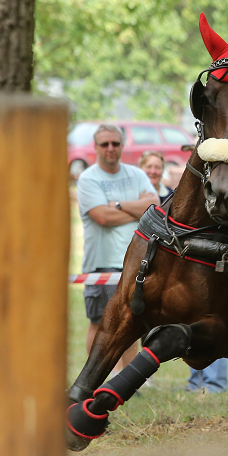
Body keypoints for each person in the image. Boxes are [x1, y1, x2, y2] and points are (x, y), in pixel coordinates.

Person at [77, 124, 160, 372]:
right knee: (99, 323)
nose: (110, 148)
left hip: (134, 263)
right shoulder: (88, 178)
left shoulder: (136, 174)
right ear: (96, 148)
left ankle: (124, 379)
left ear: (122, 146)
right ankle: (98, 375)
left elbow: (154, 205)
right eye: (105, 144)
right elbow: (102, 216)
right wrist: (135, 211)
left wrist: (116, 205)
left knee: (129, 324)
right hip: (99, 264)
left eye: (115, 143)